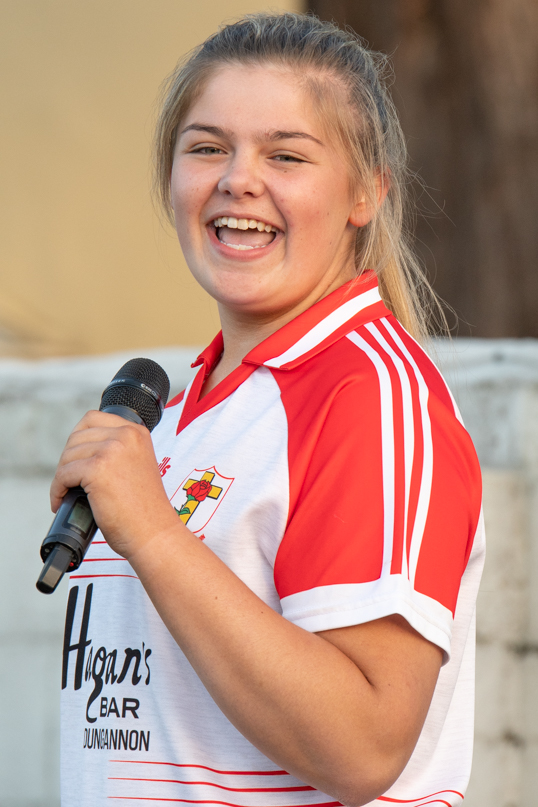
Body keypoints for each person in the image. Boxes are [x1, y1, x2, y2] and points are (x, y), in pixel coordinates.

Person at [56, 13, 484, 807]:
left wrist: (151, 531)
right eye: (208, 146)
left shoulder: (369, 396)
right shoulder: (181, 406)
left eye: (285, 155)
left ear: (366, 191)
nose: (237, 179)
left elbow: (363, 747)